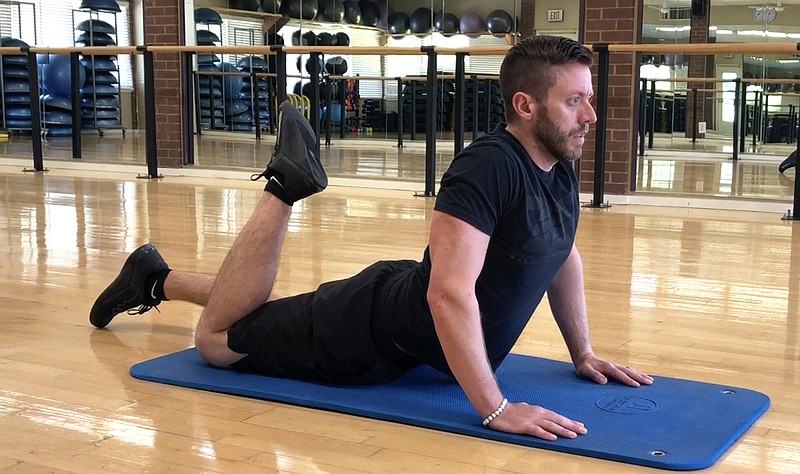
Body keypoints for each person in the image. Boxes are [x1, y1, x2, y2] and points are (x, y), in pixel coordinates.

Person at [90, 35, 653, 441]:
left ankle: (154, 280)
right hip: (370, 337)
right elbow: (447, 295)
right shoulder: (489, 167)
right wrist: (495, 408)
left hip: (393, 310)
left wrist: (582, 352)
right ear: (525, 105)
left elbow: (561, 253)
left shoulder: (556, 160)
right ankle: (284, 188)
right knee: (217, 342)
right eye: (574, 100)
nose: (591, 116)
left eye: (589, 99)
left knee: (270, 310)